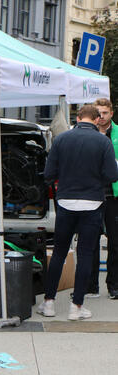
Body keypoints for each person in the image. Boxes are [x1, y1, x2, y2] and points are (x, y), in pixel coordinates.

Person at [39, 104, 118, 321]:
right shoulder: (103, 141)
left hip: (65, 202)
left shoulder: (62, 139)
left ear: (78, 117)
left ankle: (49, 303)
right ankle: (77, 307)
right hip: (92, 203)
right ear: (94, 120)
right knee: (85, 255)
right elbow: (112, 175)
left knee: (59, 253)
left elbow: (48, 173)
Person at [95, 98, 118, 300]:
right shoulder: (88, 133)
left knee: (115, 240)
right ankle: (89, 285)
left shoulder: (117, 134)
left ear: (111, 113)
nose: (101, 117)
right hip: (92, 194)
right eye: (98, 113)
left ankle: (114, 284)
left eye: (105, 113)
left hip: (113, 195)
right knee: (90, 240)